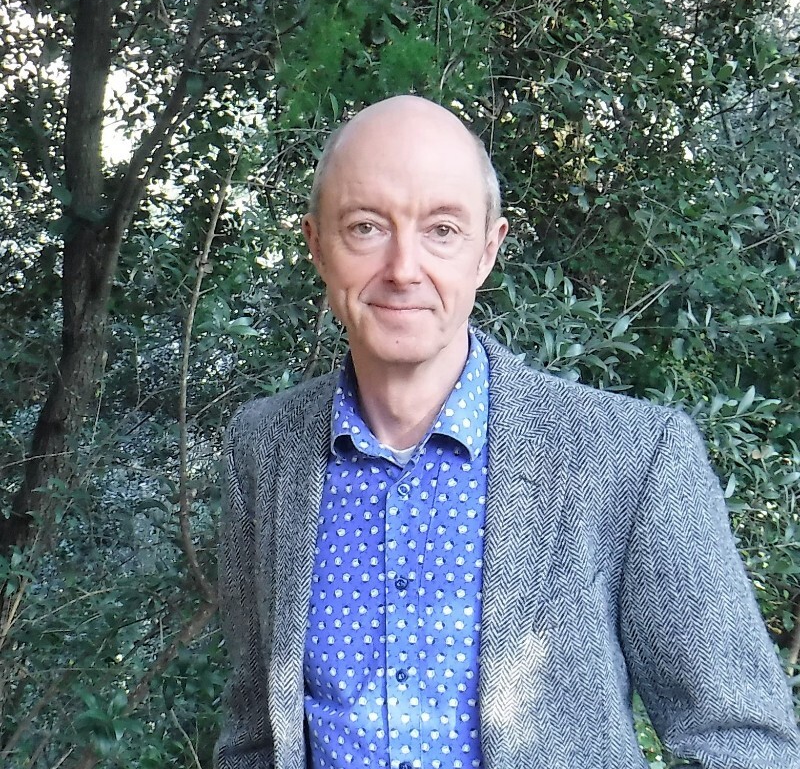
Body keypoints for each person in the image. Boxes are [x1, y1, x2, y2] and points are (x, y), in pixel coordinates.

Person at [214, 95, 800, 769]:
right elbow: (255, 736)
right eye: (366, 227)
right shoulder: (264, 448)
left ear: (487, 251)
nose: (403, 269)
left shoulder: (633, 456)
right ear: (317, 245)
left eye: (442, 230)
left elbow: (744, 742)